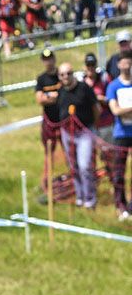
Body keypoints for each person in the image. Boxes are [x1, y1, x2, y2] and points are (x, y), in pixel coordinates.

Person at [56, 61, 100, 208]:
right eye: (62, 74)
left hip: (84, 132)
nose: (65, 77)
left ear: (73, 73)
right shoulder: (61, 90)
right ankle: (80, 196)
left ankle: (90, 199)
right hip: (67, 133)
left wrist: (92, 127)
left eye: (68, 73)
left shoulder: (84, 88)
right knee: (73, 166)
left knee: (84, 166)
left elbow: (96, 109)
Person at [105, 49, 132, 219]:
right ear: (118, 64)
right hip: (121, 134)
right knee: (118, 172)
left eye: (129, 61)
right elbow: (115, 110)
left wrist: (125, 111)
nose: (127, 65)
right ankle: (120, 205)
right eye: (124, 61)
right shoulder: (113, 86)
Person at [35, 48, 62, 170]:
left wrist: (49, 96)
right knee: (49, 153)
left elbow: (65, 95)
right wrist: (55, 96)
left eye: (50, 59)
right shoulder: (41, 79)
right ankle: (47, 182)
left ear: (54, 59)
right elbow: (40, 100)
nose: (49, 62)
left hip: (63, 119)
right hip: (49, 122)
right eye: (46, 60)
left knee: (69, 151)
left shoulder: (61, 75)